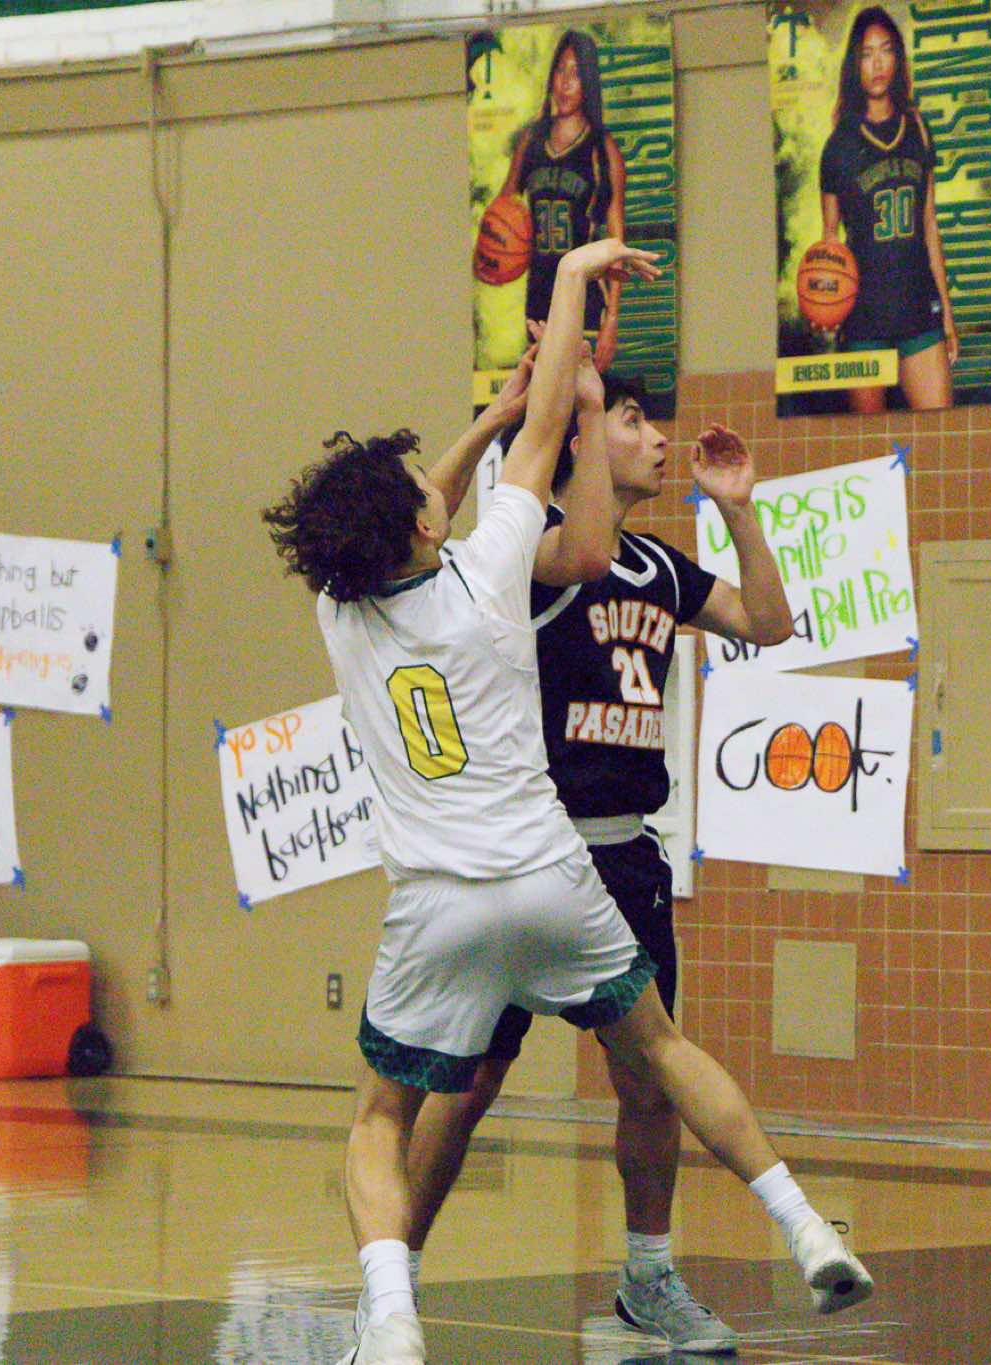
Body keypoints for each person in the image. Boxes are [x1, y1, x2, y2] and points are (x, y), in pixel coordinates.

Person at [262, 238, 871, 1365]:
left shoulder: (340, 613)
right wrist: (572, 302)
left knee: (382, 1113)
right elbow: (552, 476)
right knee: (650, 1050)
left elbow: (449, 494)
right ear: (423, 527)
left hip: (455, 893)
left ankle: (390, 1316)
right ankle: (799, 1222)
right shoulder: (500, 567)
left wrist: (496, 416)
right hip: (552, 869)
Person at [402, 375, 796, 1352]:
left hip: (623, 860)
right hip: (524, 852)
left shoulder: (657, 566)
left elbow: (767, 623)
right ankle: (392, 1276)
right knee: (467, 1085)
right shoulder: (534, 553)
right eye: (632, 419)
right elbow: (522, 543)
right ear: (583, 440)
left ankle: (648, 1277)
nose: (657, 437)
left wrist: (736, 511)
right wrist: (543, 401)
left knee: (649, 1080)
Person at [817, 6, 955, 413]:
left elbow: (929, 226)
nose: (877, 64)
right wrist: (823, 302)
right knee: (870, 444)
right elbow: (829, 242)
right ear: (854, 65)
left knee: (942, 436)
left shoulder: (918, 129)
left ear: (897, 58)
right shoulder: (838, 145)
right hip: (864, 316)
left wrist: (946, 314)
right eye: (866, 54)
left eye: (885, 50)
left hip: (918, 309)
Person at [494, 30, 627, 372]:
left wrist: (612, 318)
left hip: (584, 296)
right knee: (540, 395)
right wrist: (499, 245)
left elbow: (617, 241)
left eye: (576, 73)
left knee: (581, 395)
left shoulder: (602, 149)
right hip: (539, 294)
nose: (566, 83)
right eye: (560, 70)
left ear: (589, 82)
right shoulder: (532, 140)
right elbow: (504, 204)